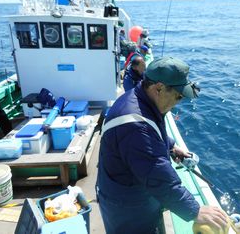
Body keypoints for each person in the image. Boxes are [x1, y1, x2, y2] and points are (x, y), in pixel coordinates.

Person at [96, 57, 228, 234]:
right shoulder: (136, 126)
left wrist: (170, 146)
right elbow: (156, 177)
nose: (178, 102)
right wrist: (194, 210)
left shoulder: (139, 98)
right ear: (158, 88)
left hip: (131, 193)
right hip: (128, 208)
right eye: (178, 96)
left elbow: (151, 134)